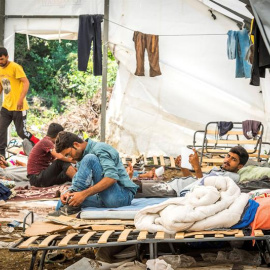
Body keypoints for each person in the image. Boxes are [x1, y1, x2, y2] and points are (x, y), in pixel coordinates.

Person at [49, 131, 138, 216]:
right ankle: (67, 208)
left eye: (69, 154)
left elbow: (111, 177)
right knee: (66, 198)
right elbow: (79, 182)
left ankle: (70, 206)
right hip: (103, 197)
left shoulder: (100, 148)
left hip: (121, 197)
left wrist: (83, 194)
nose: (70, 158)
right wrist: (69, 192)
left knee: (89, 158)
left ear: (76, 144)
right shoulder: (80, 156)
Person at [0, 47, 39, 157]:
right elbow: (3, 85)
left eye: (2, 59)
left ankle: (39, 145)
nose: (0, 62)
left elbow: (26, 83)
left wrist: (20, 99)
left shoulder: (15, 67)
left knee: (21, 132)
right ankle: (1, 155)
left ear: (7, 57)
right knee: (0, 130)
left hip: (19, 107)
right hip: (6, 106)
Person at [169, 146, 249, 196]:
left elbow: (202, 187)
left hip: (175, 191)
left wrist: (197, 167)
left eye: (233, 159)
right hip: (173, 185)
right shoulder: (217, 170)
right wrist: (183, 167)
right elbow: (194, 181)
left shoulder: (231, 177)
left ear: (240, 166)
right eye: (228, 156)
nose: (228, 160)